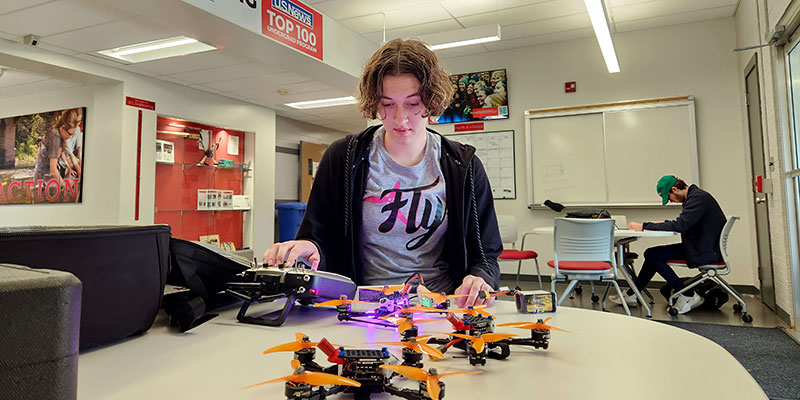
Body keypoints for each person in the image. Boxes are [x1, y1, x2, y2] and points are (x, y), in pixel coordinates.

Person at [263, 39, 503, 308]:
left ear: (431, 101)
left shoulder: (463, 166)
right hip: (361, 308)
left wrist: (480, 278)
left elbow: (486, 254)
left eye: (413, 104)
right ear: (374, 102)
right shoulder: (343, 158)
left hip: (440, 308)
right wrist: (310, 248)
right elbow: (319, 238)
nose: (400, 119)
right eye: (387, 104)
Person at [610, 175, 727, 314]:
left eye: (669, 197)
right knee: (652, 254)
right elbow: (685, 222)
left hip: (705, 252)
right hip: (704, 248)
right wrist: (661, 224)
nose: (671, 201)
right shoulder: (696, 197)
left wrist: (643, 226)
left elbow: (680, 225)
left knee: (652, 255)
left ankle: (688, 295)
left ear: (674, 189)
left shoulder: (697, 199)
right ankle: (632, 294)